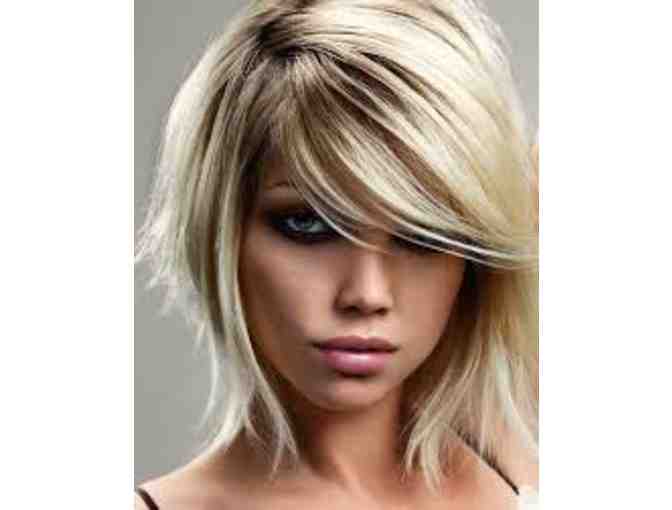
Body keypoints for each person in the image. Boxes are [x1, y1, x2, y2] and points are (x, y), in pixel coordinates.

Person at [135, 0, 539, 508]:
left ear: (472, 255)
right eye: (307, 224)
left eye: (423, 234)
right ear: (222, 225)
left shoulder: (522, 472)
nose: (367, 294)